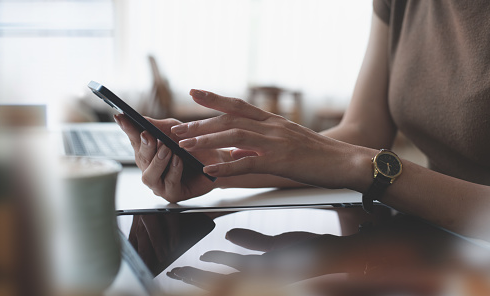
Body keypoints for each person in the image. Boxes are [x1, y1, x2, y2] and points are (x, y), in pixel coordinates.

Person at [114, 0, 490, 240]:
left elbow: (356, 155)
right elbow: (363, 130)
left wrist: (361, 167)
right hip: (434, 237)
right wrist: (225, 168)